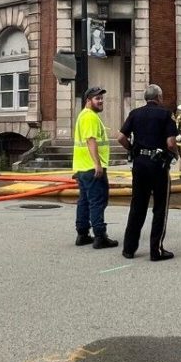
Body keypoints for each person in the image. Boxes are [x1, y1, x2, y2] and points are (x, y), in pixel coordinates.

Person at [118, 84, 180, 261]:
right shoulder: (166, 114)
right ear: (159, 97)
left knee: (137, 206)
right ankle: (156, 250)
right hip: (158, 165)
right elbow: (170, 143)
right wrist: (176, 155)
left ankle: (129, 248)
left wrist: (132, 149)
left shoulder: (135, 113)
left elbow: (121, 137)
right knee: (160, 207)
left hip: (139, 164)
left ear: (146, 98)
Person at [72, 86, 118, 249]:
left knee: (84, 201)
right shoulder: (90, 117)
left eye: (101, 98)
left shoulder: (84, 115)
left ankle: (82, 234)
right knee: (97, 201)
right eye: (97, 98)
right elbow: (90, 140)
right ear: (88, 100)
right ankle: (100, 236)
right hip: (92, 168)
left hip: (82, 167)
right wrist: (97, 164)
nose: (101, 101)